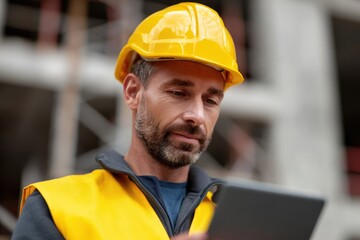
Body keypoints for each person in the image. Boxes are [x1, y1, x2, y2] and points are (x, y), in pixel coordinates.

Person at [11, 2, 244, 239]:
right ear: (133, 92)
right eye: (178, 93)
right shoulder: (57, 208)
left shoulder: (238, 218)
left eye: (210, 101)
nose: (196, 115)